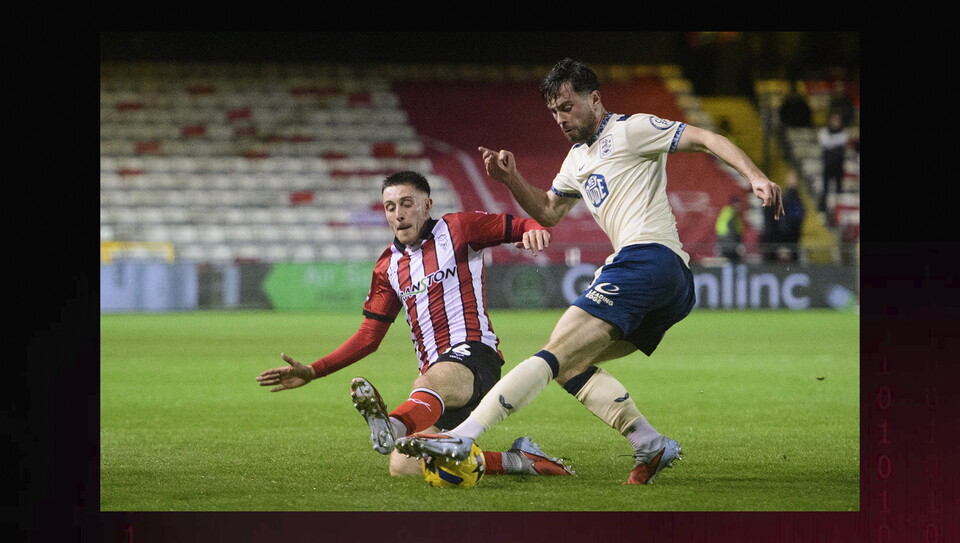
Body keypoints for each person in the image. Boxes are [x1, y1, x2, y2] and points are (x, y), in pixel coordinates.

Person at [395, 58, 783, 484]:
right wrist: (511, 179)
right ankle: (649, 443)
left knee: (553, 353)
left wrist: (756, 177)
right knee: (568, 365)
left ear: (594, 99)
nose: (561, 119)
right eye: (555, 112)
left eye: (568, 107)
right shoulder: (576, 161)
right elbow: (546, 210)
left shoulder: (631, 130)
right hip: (667, 282)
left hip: (647, 260)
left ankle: (464, 436)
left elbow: (706, 138)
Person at [256, 171, 574, 478]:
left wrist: (533, 228)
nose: (398, 214)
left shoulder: (458, 228)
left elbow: (519, 224)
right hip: (438, 383)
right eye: (390, 207)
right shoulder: (387, 267)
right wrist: (314, 370)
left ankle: (391, 425)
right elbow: (369, 336)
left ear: (427, 205)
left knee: (424, 384)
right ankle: (519, 461)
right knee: (403, 464)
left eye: (407, 204)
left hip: (476, 358)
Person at [817, 110, 848, 222]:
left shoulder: (843, 133)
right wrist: (836, 142)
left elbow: (839, 140)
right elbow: (826, 142)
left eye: (838, 120)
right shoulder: (824, 131)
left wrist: (833, 142)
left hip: (839, 166)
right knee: (825, 189)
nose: (836, 122)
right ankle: (822, 211)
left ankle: (838, 215)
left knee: (839, 191)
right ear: (830, 121)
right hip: (828, 165)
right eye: (834, 120)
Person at [714, 195, 744, 263]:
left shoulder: (729, 212)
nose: (739, 206)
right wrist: (736, 242)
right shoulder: (731, 213)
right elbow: (732, 229)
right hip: (727, 239)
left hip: (725, 239)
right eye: (737, 204)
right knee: (732, 258)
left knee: (729, 259)